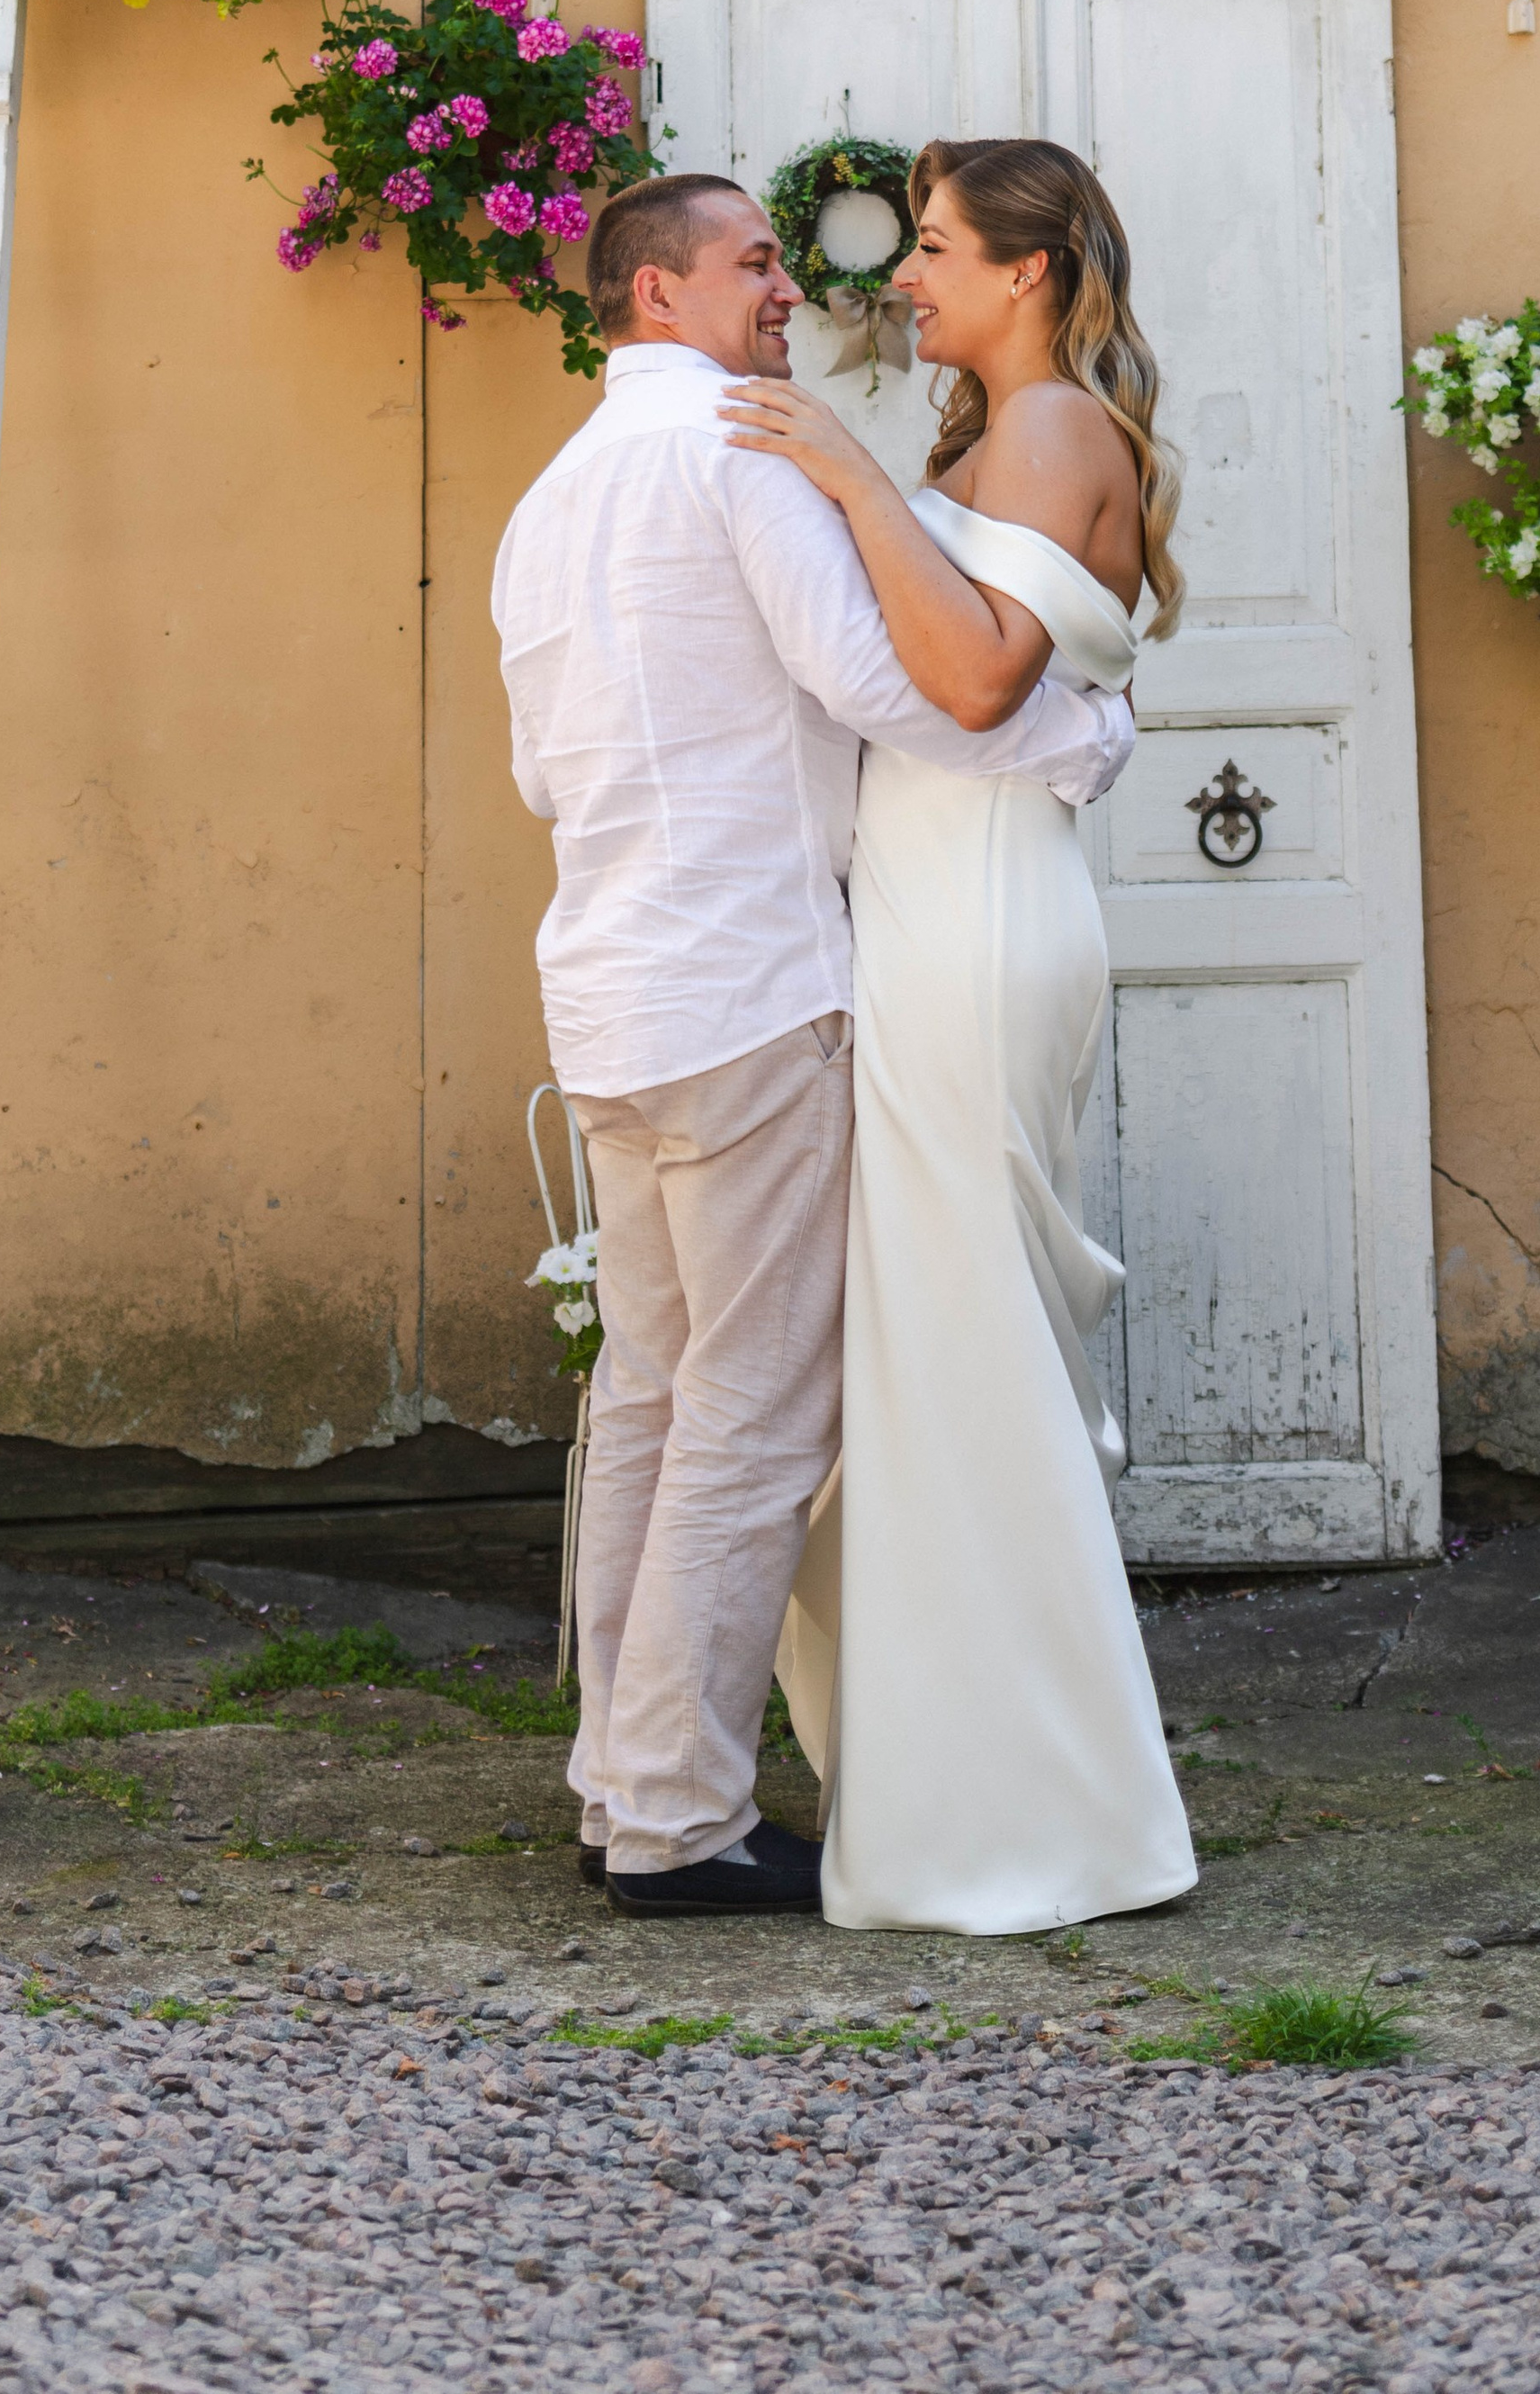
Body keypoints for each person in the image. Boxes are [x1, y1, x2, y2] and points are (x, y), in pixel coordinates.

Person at [490, 169, 1138, 1919]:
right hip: (750, 996)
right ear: (659, 296)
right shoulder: (737, 456)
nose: (789, 288)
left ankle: (616, 1782)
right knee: (755, 1412)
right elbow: (886, 686)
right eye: (755, 264)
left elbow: (540, 772)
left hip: (607, 1000)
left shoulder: (550, 498)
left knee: (646, 1393)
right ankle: (674, 1820)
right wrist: (1083, 742)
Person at [721, 136, 1198, 1935]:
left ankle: (1040, 1813)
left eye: (931, 247)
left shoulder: (1053, 426)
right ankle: (964, 1777)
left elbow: (983, 678)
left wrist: (846, 476)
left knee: (965, 1340)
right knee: (929, 1343)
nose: (901, 277)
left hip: (979, 914)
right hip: (937, 901)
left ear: (1028, 270)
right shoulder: (1002, 434)